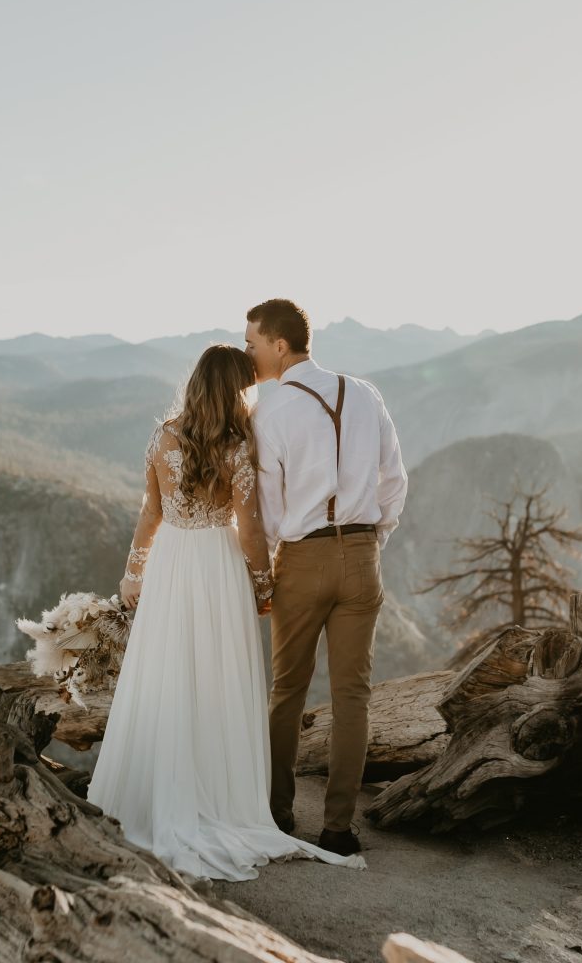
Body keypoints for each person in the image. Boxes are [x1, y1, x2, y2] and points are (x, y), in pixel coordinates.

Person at [85, 344, 367, 881]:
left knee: (168, 674)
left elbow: (150, 513)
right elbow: (251, 528)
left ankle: (160, 791)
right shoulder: (239, 445)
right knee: (218, 678)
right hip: (218, 566)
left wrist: (133, 573)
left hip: (171, 564)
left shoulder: (163, 435)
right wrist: (263, 586)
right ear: (237, 389)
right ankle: (219, 795)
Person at [244, 299, 408, 856]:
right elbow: (394, 480)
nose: (250, 351)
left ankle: (276, 815)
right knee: (352, 696)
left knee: (287, 691)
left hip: (302, 559)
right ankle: (339, 828)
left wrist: (264, 571)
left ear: (280, 345)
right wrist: (371, 539)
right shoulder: (365, 394)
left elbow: (267, 508)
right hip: (362, 557)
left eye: (254, 342)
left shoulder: (271, 412)